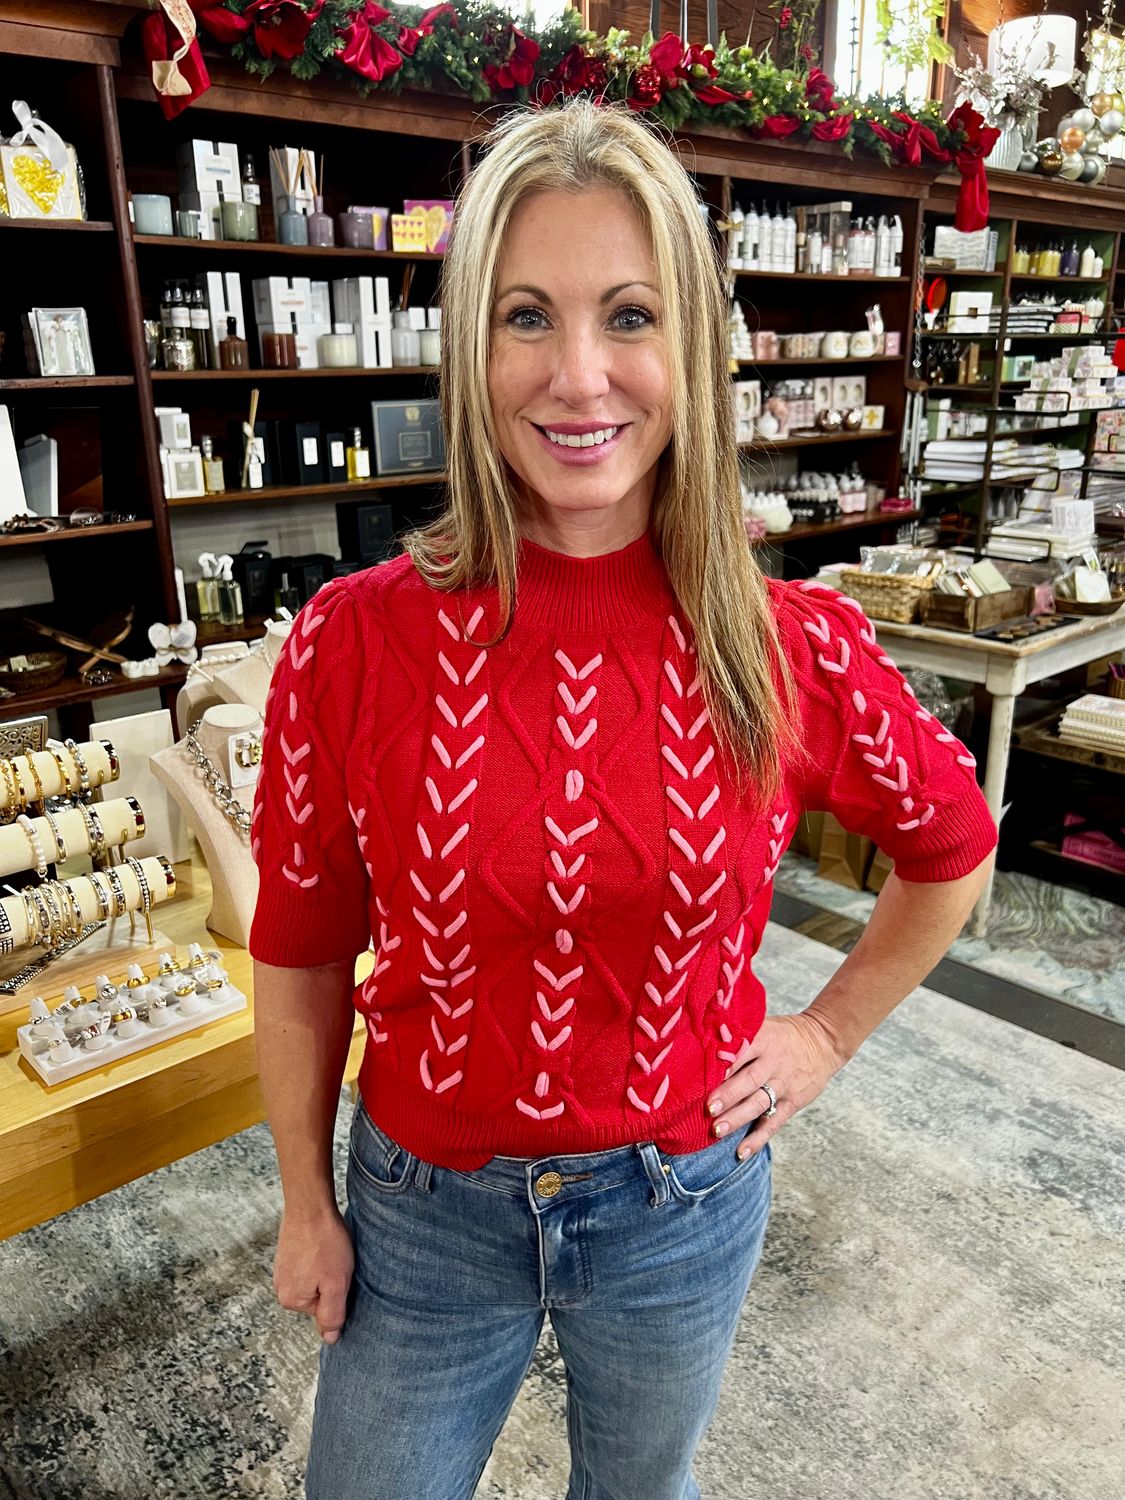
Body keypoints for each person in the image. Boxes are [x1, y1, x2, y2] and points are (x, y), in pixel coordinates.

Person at [249, 99, 997, 1500]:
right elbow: (297, 951)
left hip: (680, 1203)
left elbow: (952, 847)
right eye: (526, 314)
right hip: (421, 1209)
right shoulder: (351, 642)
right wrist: (303, 1199)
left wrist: (827, 1034)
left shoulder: (787, 645)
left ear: (692, 347)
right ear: (469, 344)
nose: (578, 376)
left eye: (631, 316)